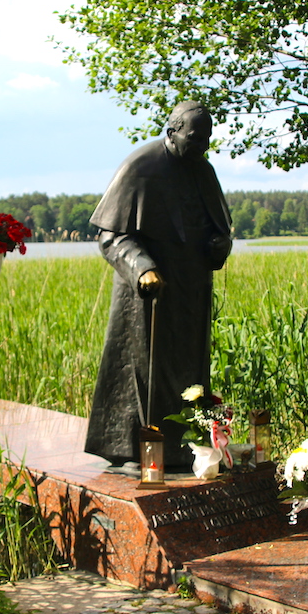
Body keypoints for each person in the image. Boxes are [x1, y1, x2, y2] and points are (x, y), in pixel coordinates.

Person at [84, 101, 232, 471]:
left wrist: (219, 245)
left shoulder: (204, 171)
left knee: (191, 375)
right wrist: (142, 268)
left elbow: (219, 227)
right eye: (194, 138)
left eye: (206, 140)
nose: (201, 147)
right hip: (149, 294)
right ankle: (138, 451)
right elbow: (111, 236)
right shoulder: (141, 167)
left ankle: (187, 449)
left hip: (191, 292)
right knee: (144, 372)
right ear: (172, 132)